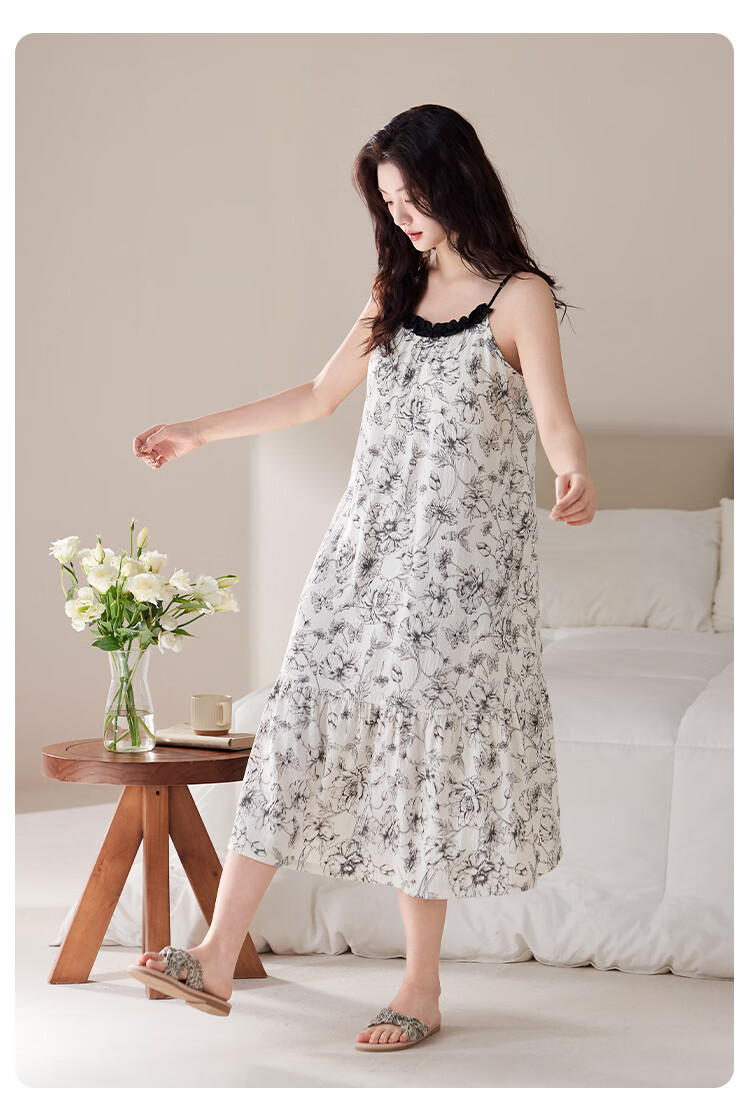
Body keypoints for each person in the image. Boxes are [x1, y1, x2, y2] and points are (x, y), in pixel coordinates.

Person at [128, 104, 596, 1050]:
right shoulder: (393, 289)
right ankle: (215, 953)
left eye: (414, 195)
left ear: (456, 180)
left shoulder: (520, 297)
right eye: (389, 201)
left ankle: (420, 985)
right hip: (361, 557)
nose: (404, 216)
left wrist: (572, 468)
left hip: (458, 581)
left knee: (424, 762)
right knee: (298, 724)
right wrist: (197, 431)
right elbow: (316, 396)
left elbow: (553, 415)